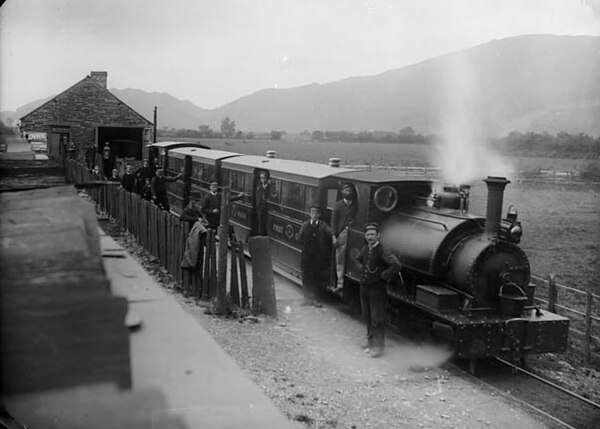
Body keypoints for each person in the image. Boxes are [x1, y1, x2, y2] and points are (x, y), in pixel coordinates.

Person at [352, 222, 400, 358]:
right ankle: (371, 342)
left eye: (372, 234)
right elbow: (357, 260)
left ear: (378, 236)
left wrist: (384, 276)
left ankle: (379, 347)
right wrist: (360, 268)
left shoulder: (383, 250)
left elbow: (396, 265)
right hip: (365, 288)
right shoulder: (366, 249)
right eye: (368, 235)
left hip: (377, 290)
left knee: (377, 318)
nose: (370, 237)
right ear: (365, 236)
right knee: (367, 316)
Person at [298, 206, 332, 308]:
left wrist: (334, 237)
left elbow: (330, 232)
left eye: (316, 212)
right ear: (309, 214)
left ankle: (314, 298)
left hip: (317, 257)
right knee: (305, 276)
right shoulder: (305, 225)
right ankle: (306, 297)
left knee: (315, 278)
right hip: (306, 255)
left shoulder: (322, 225)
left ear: (319, 215)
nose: (314, 214)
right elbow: (300, 237)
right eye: (312, 212)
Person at [331, 183, 357, 292]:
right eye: (346, 190)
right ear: (342, 192)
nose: (348, 192)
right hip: (342, 233)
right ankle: (340, 283)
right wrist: (334, 237)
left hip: (352, 233)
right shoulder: (338, 205)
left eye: (350, 190)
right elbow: (333, 222)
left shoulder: (355, 205)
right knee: (340, 259)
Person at [254, 170, 271, 235]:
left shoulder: (270, 188)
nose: (262, 180)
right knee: (261, 225)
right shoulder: (259, 188)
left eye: (263, 178)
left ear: (267, 178)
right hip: (260, 210)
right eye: (261, 178)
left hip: (267, 210)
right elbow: (257, 199)